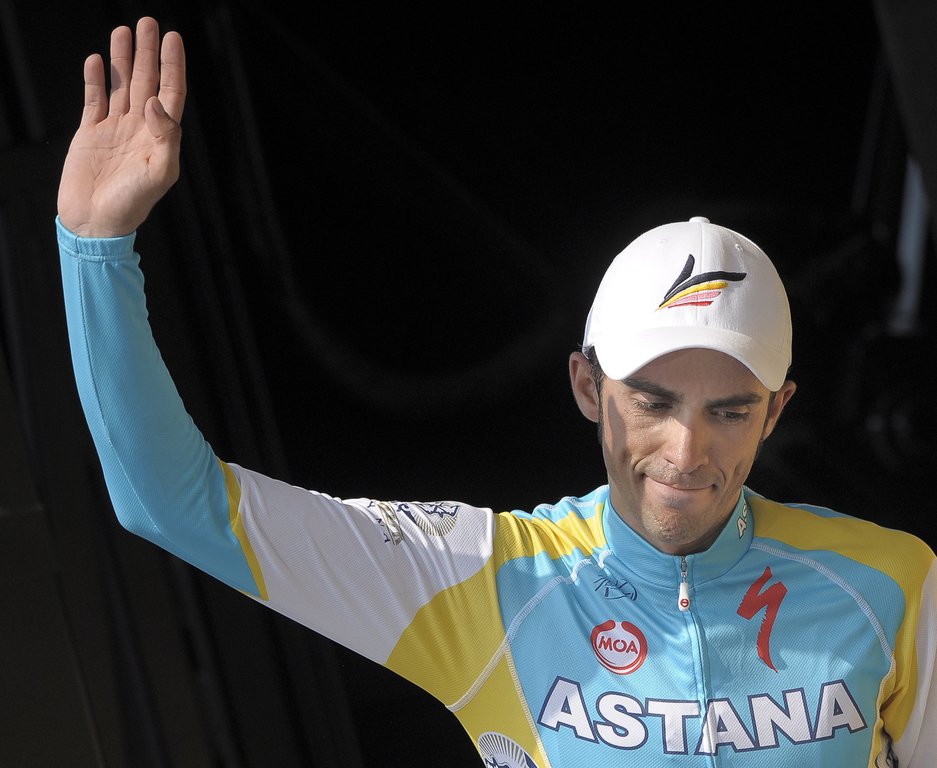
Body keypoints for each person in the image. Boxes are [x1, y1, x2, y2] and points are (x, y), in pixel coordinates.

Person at [56, 17, 936, 768]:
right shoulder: (490, 582)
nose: (685, 451)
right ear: (587, 386)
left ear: (777, 410)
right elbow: (173, 504)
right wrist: (95, 248)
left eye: (729, 411)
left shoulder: (891, 584)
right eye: (653, 402)